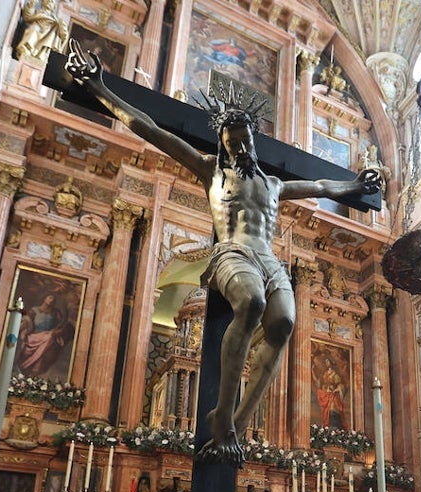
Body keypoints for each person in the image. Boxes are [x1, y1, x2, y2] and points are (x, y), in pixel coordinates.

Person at [65, 39, 381, 466]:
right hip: (231, 252)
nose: (238, 148)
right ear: (223, 143)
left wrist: (357, 187)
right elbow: (150, 129)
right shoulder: (210, 170)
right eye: (230, 142)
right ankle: (223, 420)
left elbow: (324, 187)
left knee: (284, 322)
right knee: (250, 303)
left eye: (243, 140)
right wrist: (101, 91)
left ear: (253, 139)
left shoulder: (274, 185)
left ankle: (231, 418)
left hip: (269, 258)